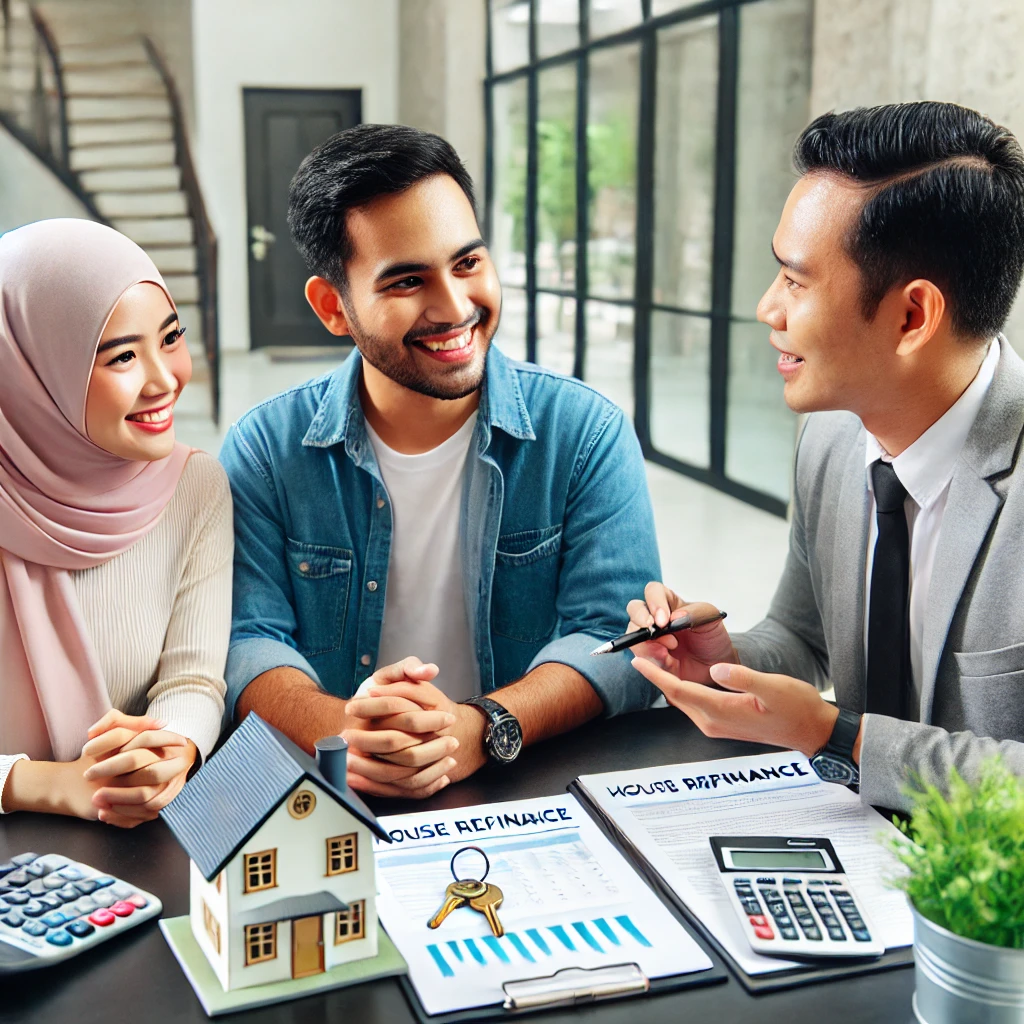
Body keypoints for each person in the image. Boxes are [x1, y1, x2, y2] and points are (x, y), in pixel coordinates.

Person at [220, 124, 659, 798]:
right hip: (337, 801)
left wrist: (484, 726)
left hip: (528, 786)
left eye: (468, 264)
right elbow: (246, 639)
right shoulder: (264, 450)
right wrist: (346, 733)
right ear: (333, 307)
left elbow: (614, 640)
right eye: (405, 282)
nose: (455, 308)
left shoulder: (584, 433)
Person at [627, 101, 1024, 811]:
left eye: (795, 280)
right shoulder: (834, 437)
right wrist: (728, 661)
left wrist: (839, 738)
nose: (765, 308)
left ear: (911, 316)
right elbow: (801, 637)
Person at [0, 219, 233, 826]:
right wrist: (42, 784)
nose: (165, 380)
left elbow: (194, 679)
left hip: (139, 844)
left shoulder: (196, 487)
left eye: (171, 338)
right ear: (30, 373)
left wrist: (171, 749)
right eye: (123, 356)